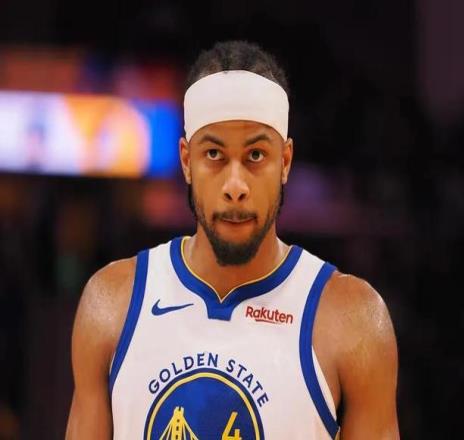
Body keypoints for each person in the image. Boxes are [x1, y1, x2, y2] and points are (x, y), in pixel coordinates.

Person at [66, 40, 399, 439]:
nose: (235, 186)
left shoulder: (353, 321)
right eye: (214, 155)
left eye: (256, 155)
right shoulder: (111, 305)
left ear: (285, 162)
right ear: (187, 162)